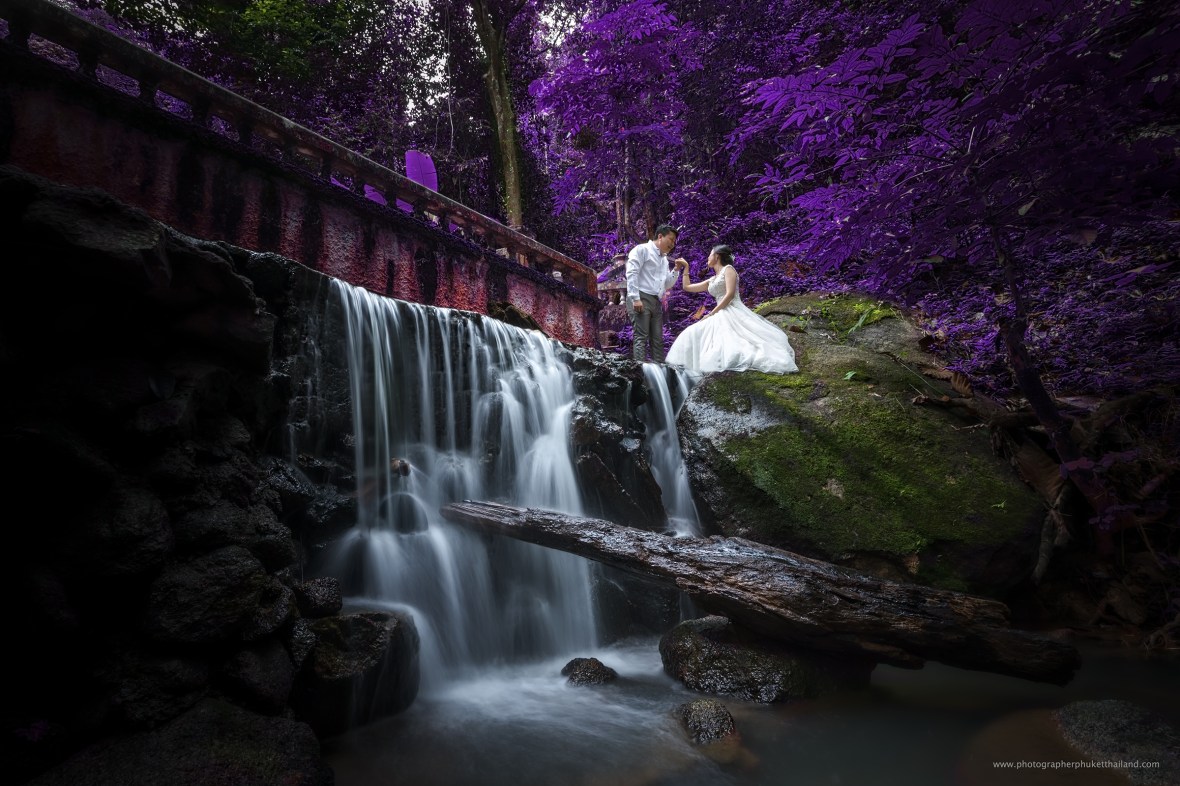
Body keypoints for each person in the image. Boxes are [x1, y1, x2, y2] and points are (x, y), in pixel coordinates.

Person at [665, 245, 798, 374]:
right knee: (692, 332)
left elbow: (729, 295)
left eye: (710, 255)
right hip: (719, 311)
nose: (707, 258)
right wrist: (686, 267)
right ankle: (690, 367)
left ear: (717, 256)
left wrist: (711, 313)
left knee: (731, 340)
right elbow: (687, 287)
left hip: (732, 309)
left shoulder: (729, 269)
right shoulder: (712, 279)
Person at [625, 225, 686, 362]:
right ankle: (640, 371)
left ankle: (659, 371)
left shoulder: (663, 260)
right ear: (660, 236)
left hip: (655, 300)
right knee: (641, 336)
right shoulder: (642, 250)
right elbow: (632, 273)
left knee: (658, 339)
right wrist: (635, 298)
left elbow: (666, 284)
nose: (673, 244)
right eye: (671, 239)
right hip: (641, 296)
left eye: (674, 241)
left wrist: (676, 270)